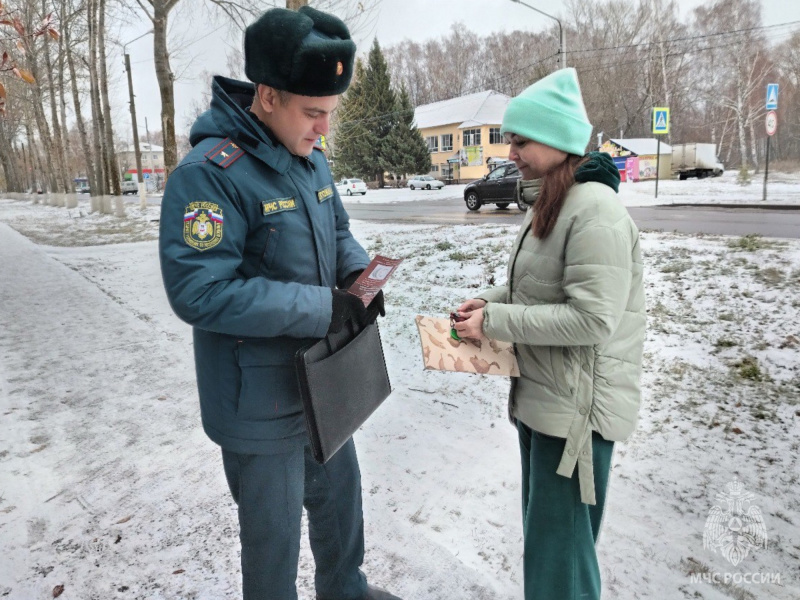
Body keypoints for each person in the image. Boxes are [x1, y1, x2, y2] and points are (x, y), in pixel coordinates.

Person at [158, 7, 399, 600]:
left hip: (323, 381)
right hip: (257, 401)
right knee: (273, 544)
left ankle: (346, 591)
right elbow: (200, 292)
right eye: (313, 113)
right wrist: (324, 308)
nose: (324, 129)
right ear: (267, 95)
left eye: (330, 114)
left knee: (342, 505)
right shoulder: (208, 176)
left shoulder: (310, 157)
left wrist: (357, 277)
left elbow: (338, 229)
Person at [453, 68, 646, 600]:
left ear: (559, 143)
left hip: (576, 416)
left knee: (560, 562)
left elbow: (591, 320)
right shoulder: (552, 202)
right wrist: (486, 302)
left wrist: (495, 322)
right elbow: (536, 290)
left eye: (520, 141)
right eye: (510, 139)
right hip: (546, 402)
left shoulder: (596, 212)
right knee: (550, 549)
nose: (509, 151)